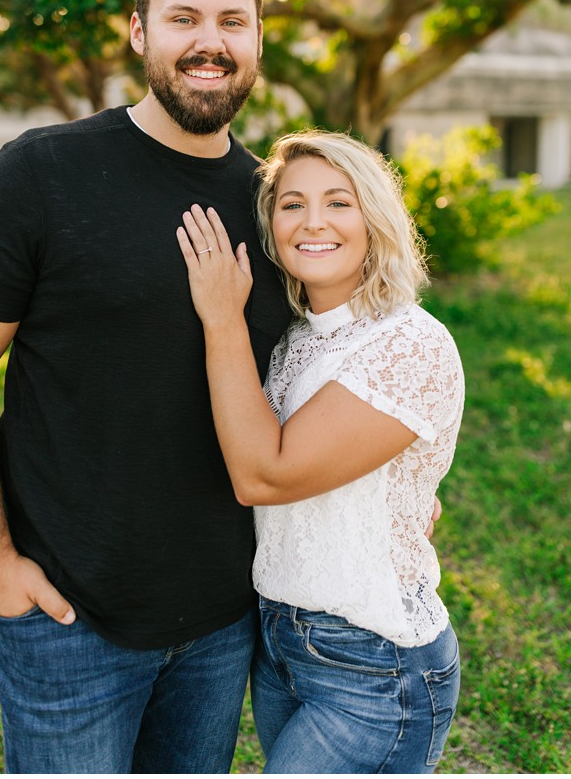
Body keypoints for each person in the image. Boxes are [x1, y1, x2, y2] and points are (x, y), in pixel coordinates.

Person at [0, 0, 292, 772]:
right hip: (67, 622)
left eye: (234, 21)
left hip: (224, 625)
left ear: (258, 37)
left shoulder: (278, 205)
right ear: (138, 31)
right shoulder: (40, 174)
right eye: (184, 18)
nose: (210, 43)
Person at [175, 129, 464, 774]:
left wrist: (220, 318)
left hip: (374, 662)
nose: (313, 222)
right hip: (281, 643)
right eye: (291, 204)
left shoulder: (407, 344)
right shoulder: (296, 340)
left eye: (339, 202)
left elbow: (263, 474)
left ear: (374, 218)